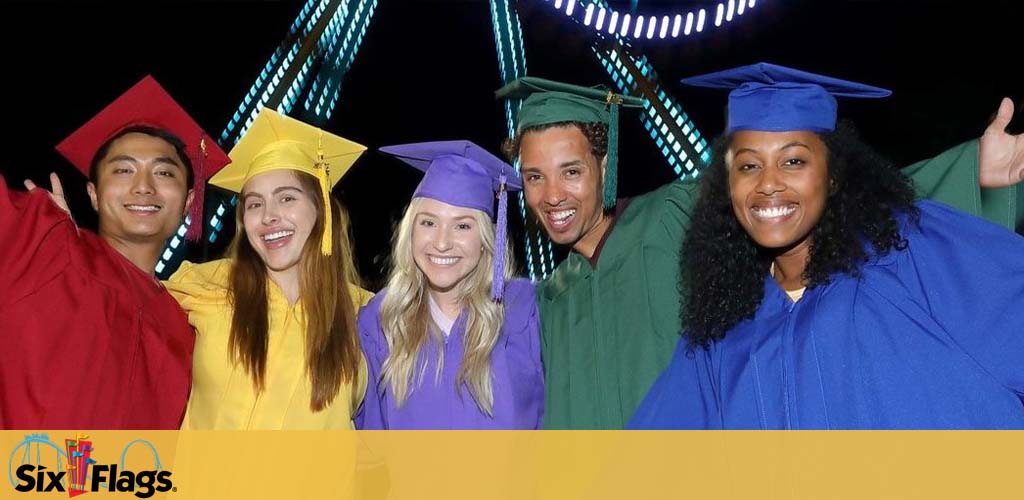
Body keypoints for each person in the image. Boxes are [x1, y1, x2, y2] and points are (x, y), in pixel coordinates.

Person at [496, 75, 1024, 429]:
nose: (553, 195)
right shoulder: (548, 299)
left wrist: (973, 166)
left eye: (571, 171)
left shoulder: (669, 216)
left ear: (604, 167)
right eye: (534, 177)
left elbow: (853, 210)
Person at [0, 76, 230, 429]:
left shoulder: (192, 328)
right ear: (93, 193)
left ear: (188, 202)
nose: (143, 187)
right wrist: (46, 228)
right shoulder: (42, 247)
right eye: (124, 170)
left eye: (164, 173)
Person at [165, 109, 371, 429]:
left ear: (322, 210)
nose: (268, 216)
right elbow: (117, 305)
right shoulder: (204, 286)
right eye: (254, 204)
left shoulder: (366, 315)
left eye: (287, 198)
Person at [356, 140, 543, 429]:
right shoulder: (380, 322)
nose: (442, 243)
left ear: (485, 240)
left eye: (463, 226)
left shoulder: (526, 311)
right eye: (428, 223)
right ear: (411, 231)